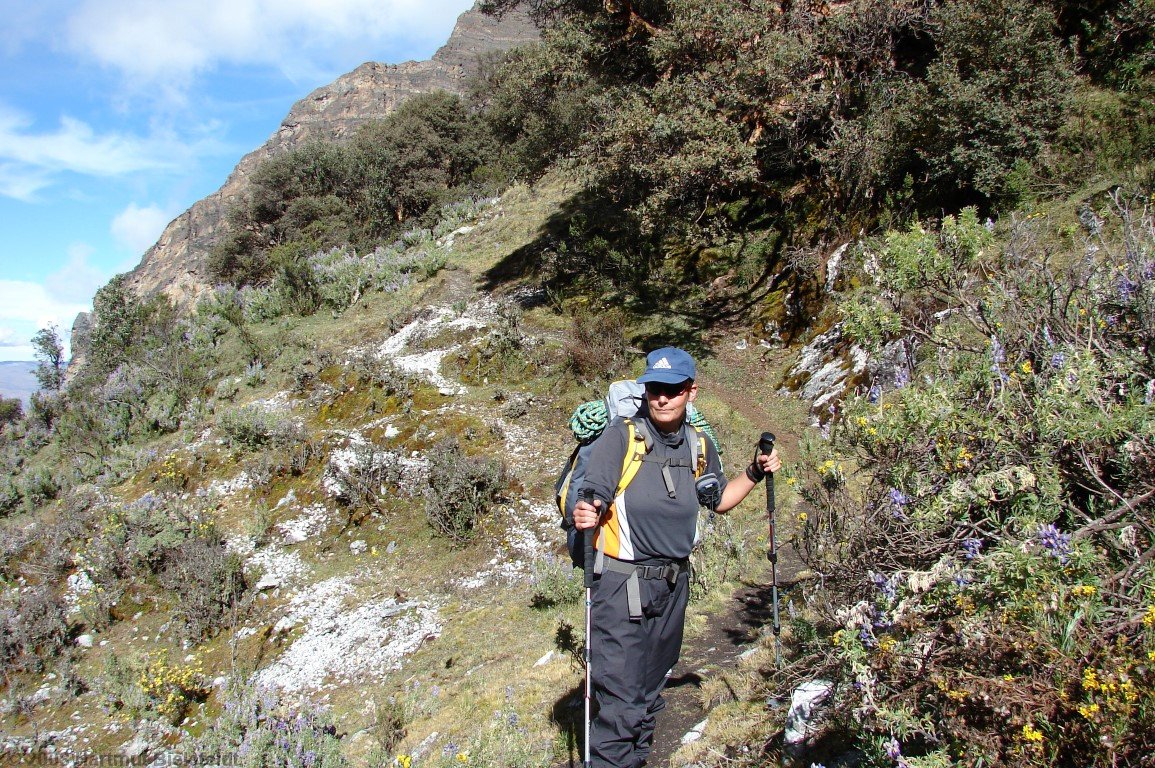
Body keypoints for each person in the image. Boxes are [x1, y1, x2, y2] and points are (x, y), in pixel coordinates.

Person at [573, 346, 782, 768]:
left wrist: (756, 472)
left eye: (672, 389)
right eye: (654, 389)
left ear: (691, 391)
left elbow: (718, 499)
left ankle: (637, 760)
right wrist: (587, 508)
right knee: (622, 702)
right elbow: (593, 490)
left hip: (672, 586)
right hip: (620, 586)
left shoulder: (699, 444)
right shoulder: (622, 437)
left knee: (651, 693)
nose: (662, 398)